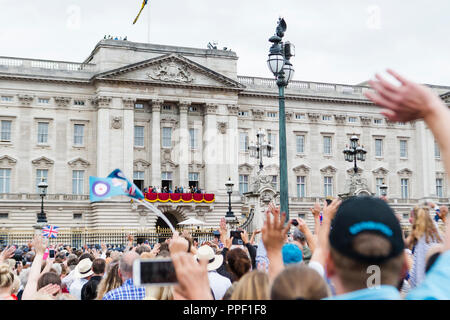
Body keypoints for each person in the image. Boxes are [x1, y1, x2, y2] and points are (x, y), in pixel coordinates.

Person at [406, 206, 442, 288]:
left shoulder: (422, 239)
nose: (410, 220)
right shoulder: (434, 233)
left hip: (425, 287)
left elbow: (419, 269)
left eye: (411, 216)